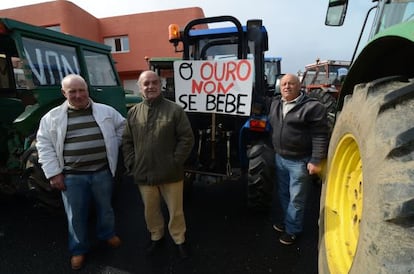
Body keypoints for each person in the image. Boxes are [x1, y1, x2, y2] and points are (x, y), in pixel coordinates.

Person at [36, 74, 125, 270]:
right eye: (72, 91)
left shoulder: (106, 111)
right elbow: (44, 145)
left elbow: (123, 128)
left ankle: (107, 234)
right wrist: (53, 173)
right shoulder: (51, 118)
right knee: (75, 215)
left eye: (81, 90)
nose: (78, 95)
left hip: (102, 172)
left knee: (106, 208)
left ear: (87, 90)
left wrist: (113, 143)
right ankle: (78, 249)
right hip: (72, 177)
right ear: (64, 93)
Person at [122, 70, 194, 259]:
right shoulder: (133, 113)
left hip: (171, 172)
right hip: (144, 173)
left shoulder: (175, 110)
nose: (150, 86)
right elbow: (127, 141)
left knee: (176, 211)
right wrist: (132, 162)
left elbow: (186, 139)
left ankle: (179, 239)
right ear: (140, 87)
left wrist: (175, 162)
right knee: (150, 210)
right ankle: (156, 236)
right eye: (146, 83)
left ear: (160, 85)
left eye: (154, 82)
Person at [268, 73, 329, 245]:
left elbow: (320, 136)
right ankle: (288, 222)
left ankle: (292, 230)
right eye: (284, 84)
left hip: (300, 162)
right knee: (284, 194)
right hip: (280, 158)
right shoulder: (276, 103)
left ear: (299, 86)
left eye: (291, 84)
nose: (287, 87)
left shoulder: (312, 107)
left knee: (297, 199)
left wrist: (316, 160)